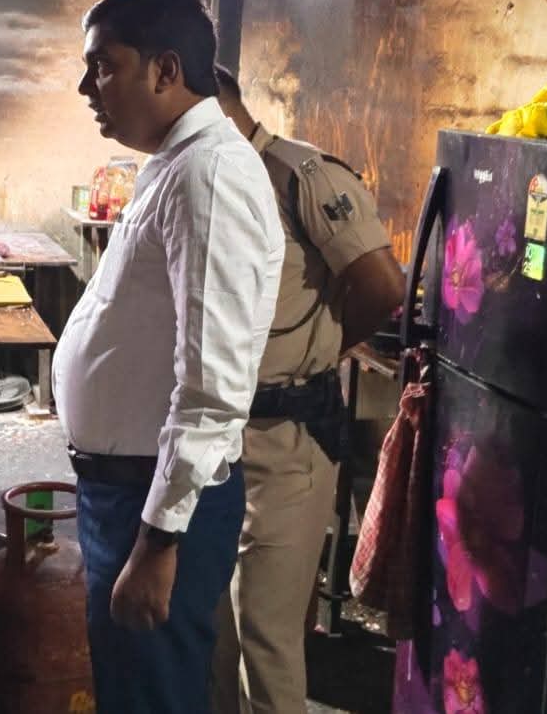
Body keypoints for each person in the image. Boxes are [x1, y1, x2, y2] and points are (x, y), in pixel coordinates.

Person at [52, 0, 284, 713]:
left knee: (153, 695)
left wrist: (157, 542)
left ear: (165, 69)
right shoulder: (177, 164)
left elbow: (213, 386)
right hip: (131, 492)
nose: (87, 88)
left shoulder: (207, 175)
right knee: (136, 688)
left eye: (103, 66)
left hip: (155, 503)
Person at [210, 64, 403, 714]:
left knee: (265, 635)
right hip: (214, 438)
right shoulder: (207, 181)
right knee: (214, 631)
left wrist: (326, 346)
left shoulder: (302, 177)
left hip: (286, 437)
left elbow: (381, 285)